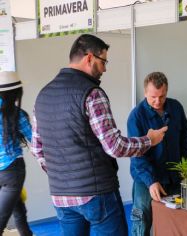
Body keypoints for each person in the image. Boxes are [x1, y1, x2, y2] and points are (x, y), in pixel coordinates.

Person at [31, 34, 167, 236]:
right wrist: (150, 140)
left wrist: (63, 176)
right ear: (89, 58)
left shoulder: (43, 95)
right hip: (96, 193)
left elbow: (37, 149)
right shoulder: (92, 93)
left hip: (61, 196)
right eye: (103, 61)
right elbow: (115, 146)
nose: (105, 68)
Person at [128, 72, 187, 236]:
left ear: (166, 92)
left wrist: (184, 166)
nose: (157, 101)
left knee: (176, 220)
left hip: (174, 177)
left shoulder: (176, 107)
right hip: (146, 179)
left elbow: (184, 139)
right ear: (145, 92)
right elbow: (137, 154)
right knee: (141, 221)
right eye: (153, 97)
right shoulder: (136, 116)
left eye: (162, 96)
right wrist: (151, 181)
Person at [0, 71, 33, 236]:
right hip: (12, 171)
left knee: (18, 208)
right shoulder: (17, 114)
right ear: (17, 93)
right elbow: (35, 139)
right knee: (3, 217)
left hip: (6, 173)